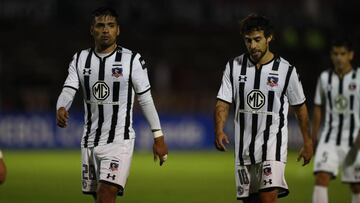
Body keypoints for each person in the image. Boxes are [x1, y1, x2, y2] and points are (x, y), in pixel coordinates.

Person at [56, 7, 168, 203]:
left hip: (119, 141)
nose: (106, 30)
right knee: (98, 196)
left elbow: (145, 98)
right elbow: (68, 89)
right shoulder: (81, 58)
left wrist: (158, 137)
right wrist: (62, 106)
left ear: (118, 30)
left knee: (107, 193)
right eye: (100, 25)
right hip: (89, 141)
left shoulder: (132, 59)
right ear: (92, 30)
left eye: (110, 25)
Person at [214, 14, 313, 203]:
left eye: (257, 40)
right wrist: (219, 130)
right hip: (244, 149)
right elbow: (222, 102)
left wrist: (307, 141)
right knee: (250, 201)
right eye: (248, 40)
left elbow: (300, 108)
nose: (252, 46)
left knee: (267, 198)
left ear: (269, 38)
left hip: (272, 146)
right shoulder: (234, 67)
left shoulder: (286, 70)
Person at [312, 37, 360, 203]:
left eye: (343, 54)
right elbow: (318, 107)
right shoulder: (325, 78)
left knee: (357, 186)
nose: (339, 58)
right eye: (335, 54)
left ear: (351, 55)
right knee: (321, 177)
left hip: (355, 139)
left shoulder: (359, 78)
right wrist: (314, 137)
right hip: (329, 138)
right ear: (331, 56)